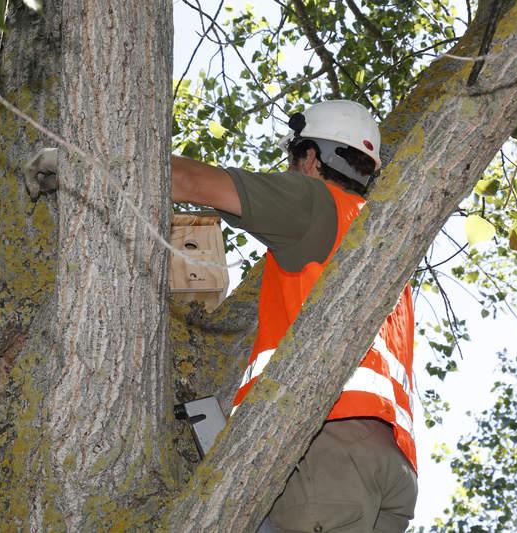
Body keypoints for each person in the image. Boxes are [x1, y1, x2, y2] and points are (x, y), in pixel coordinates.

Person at [171, 100, 418, 532]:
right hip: (393, 469)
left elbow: (187, 179)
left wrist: (81, 159)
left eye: (292, 159)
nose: (288, 170)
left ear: (311, 157)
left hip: (328, 450)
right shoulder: (377, 238)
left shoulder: (314, 201)